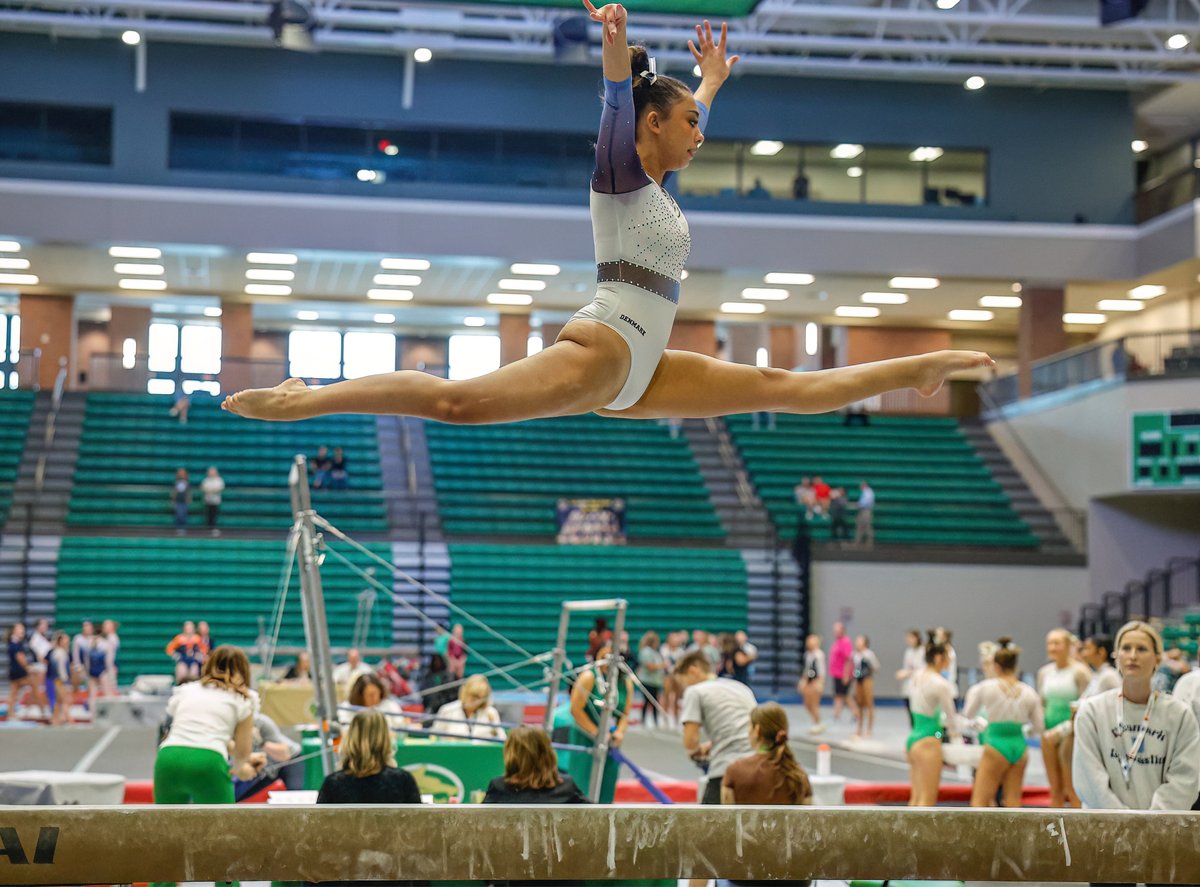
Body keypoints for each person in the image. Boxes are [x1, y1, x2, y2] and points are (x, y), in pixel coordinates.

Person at [220, 4, 992, 431]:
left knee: (776, 382)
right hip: (609, 341)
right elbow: (622, 105)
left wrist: (710, 82)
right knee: (460, 402)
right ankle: (306, 395)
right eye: (690, 121)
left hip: (645, 364)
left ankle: (918, 368)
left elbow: (668, 109)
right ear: (651, 124)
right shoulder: (617, 170)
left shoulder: (654, 181)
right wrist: (615, 50)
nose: (702, 131)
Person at [1073, 621, 1200, 811]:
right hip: (1102, 830)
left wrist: (1148, 826)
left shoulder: (1179, 715)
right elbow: (1089, 780)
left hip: (1160, 832)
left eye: (1141, 649)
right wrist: (1124, 823)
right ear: (1116, 657)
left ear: (1157, 659)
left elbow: (1184, 780)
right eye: (1126, 648)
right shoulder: (1091, 712)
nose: (1132, 656)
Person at [155, 645, 259, 805]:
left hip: (168, 758)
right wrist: (246, 770)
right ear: (244, 671)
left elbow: (199, 731)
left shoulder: (187, 690)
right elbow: (241, 755)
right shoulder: (244, 697)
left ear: (208, 664)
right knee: (223, 828)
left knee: (165, 827)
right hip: (209, 762)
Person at [962, 637, 1043, 807]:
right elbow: (1039, 727)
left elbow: (968, 714)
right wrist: (1024, 730)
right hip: (1019, 746)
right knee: (1013, 802)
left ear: (996, 666)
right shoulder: (1029, 692)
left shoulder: (985, 687)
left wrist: (979, 723)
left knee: (980, 801)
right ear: (1016, 667)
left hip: (995, 744)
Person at [554, 639, 633, 803]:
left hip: (611, 742)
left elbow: (625, 714)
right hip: (586, 738)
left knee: (606, 785)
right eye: (604, 655)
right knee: (583, 784)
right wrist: (595, 732)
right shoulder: (589, 676)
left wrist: (619, 732)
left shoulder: (625, 681)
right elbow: (575, 709)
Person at [675, 649, 756, 804]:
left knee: (707, 824)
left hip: (726, 770)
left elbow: (690, 740)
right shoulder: (741, 687)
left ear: (693, 671)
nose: (684, 688)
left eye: (683, 682)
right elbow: (747, 728)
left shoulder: (695, 691)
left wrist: (695, 751)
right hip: (758, 767)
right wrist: (713, 745)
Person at [317, 710, 421, 804]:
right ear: (385, 739)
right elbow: (420, 823)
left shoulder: (333, 784)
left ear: (350, 738)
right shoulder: (402, 781)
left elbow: (318, 823)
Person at [1038, 627, 1092, 807]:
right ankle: (1055, 832)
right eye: (1049, 643)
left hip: (1071, 734)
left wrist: (1066, 728)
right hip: (1049, 734)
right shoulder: (1045, 672)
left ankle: (1077, 831)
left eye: (1057, 643)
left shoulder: (1080, 672)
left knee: (1072, 788)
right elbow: (1042, 703)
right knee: (1055, 789)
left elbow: (1087, 705)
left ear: (1068, 645)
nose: (1052, 647)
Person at [721, 702, 812, 805]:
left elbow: (728, 817)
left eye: (749, 726)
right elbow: (807, 818)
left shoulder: (735, 771)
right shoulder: (798, 775)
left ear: (757, 730)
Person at [907, 639, 961, 806]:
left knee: (915, 800)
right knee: (927, 802)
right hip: (929, 742)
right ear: (938, 658)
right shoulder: (940, 684)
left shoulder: (916, 676)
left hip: (913, 738)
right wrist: (959, 732)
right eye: (948, 657)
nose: (950, 661)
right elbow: (951, 718)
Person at [483, 726, 589, 804]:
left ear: (511, 755)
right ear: (548, 753)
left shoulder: (499, 788)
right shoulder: (567, 787)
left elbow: (476, 825)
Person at [435, 674, 505, 740]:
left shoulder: (491, 713)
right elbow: (435, 738)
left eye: (480, 698)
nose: (476, 701)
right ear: (465, 692)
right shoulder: (447, 710)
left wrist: (495, 727)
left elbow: (502, 739)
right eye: (473, 696)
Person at [341, 672, 405, 728]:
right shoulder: (348, 708)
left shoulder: (390, 706)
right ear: (360, 696)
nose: (375, 698)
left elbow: (401, 726)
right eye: (370, 695)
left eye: (377, 693)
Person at [851, 634, 880, 739]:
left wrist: (868, 669)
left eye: (860, 641)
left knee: (869, 703)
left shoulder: (869, 654)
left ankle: (869, 728)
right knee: (859, 704)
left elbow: (876, 667)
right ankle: (859, 727)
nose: (857, 643)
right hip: (858, 680)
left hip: (867, 679)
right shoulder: (854, 654)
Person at [636, 630, 666, 727]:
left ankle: (655, 720)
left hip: (655, 681)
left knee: (654, 701)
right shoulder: (646, 652)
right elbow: (650, 666)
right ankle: (644, 720)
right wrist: (662, 665)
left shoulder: (653, 652)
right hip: (648, 680)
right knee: (649, 700)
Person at [895, 628, 924, 727]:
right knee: (910, 710)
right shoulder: (909, 651)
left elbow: (921, 668)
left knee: (918, 711)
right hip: (909, 686)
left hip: (919, 684)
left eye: (910, 638)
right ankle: (913, 729)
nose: (908, 640)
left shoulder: (922, 651)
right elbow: (907, 667)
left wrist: (907, 673)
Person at [799, 633, 825, 734]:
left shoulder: (819, 655)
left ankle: (816, 722)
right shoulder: (808, 655)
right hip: (809, 680)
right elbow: (806, 670)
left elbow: (821, 670)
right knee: (807, 703)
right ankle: (816, 720)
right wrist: (803, 681)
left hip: (816, 681)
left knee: (814, 703)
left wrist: (820, 682)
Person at [4, 623, 31, 721]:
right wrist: (28, 667)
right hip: (17, 670)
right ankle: (12, 712)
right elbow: (20, 657)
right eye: (20, 629)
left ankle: (11, 712)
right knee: (15, 692)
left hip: (16, 669)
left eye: (23, 629)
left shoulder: (16, 641)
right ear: (14, 630)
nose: (22, 631)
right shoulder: (14, 642)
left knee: (15, 692)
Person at [828, 622, 854, 722]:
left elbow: (848, 659)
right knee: (839, 695)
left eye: (837, 630)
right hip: (836, 673)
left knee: (845, 695)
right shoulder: (837, 642)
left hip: (843, 674)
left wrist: (846, 674)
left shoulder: (845, 642)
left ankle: (856, 713)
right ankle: (836, 714)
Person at [48, 631, 74, 726]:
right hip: (60, 680)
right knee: (67, 700)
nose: (67, 641)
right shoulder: (60, 652)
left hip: (57, 679)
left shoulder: (61, 652)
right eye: (65, 639)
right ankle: (70, 721)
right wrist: (65, 680)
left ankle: (54, 720)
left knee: (59, 701)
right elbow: (61, 668)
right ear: (60, 641)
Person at [201, 466, 225, 534]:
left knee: (214, 514)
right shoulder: (206, 480)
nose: (212, 473)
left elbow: (220, 487)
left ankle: (213, 528)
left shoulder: (219, 480)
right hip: (208, 500)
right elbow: (204, 487)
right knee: (208, 515)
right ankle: (207, 528)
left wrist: (212, 490)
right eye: (210, 472)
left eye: (213, 472)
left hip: (215, 501)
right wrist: (211, 490)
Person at [854, 480, 875, 547]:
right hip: (863, 511)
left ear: (865, 485)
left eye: (861, 485)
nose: (860, 486)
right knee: (859, 525)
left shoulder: (868, 492)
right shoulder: (865, 492)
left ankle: (869, 542)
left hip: (866, 511)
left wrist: (859, 504)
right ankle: (857, 541)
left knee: (867, 526)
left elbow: (867, 502)